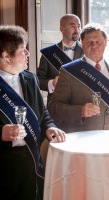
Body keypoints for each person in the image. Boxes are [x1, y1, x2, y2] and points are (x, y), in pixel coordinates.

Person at [0, 25, 66, 200]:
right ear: (6, 56)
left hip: (30, 159)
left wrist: (49, 127)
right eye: (23, 50)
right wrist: (1, 132)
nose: (28, 54)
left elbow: (42, 112)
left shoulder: (31, 79)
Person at [48, 23, 109, 133]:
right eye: (89, 42)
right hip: (83, 140)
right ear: (81, 43)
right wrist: (80, 111)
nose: (94, 46)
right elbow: (54, 108)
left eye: (98, 42)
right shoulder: (69, 71)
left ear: (106, 42)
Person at [37, 14, 83, 104]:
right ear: (61, 29)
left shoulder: (87, 52)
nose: (77, 30)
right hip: (56, 105)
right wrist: (52, 83)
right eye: (72, 26)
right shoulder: (49, 52)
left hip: (81, 106)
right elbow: (38, 80)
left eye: (79, 26)